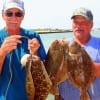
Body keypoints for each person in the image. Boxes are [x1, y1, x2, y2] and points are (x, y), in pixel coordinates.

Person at [0, 0, 46, 100]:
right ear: (2, 15)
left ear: (23, 16)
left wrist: (35, 53)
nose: (13, 17)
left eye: (18, 14)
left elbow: (44, 75)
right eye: (9, 13)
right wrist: (2, 53)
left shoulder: (33, 37)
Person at [58, 7, 100, 100]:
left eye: (83, 22)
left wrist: (84, 66)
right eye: (75, 22)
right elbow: (54, 74)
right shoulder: (62, 45)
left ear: (91, 25)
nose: (78, 26)